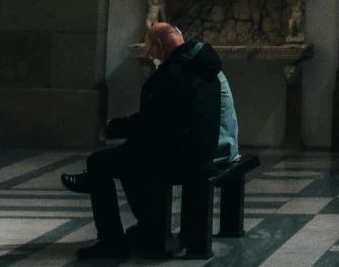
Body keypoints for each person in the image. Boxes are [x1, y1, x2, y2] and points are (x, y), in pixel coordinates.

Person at [66, 21, 226, 261]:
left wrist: (113, 128)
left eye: (150, 51)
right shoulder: (205, 69)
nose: (152, 57)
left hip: (178, 158)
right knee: (128, 157)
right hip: (201, 152)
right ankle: (147, 228)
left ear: (159, 45)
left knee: (100, 162)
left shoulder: (169, 76)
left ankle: (112, 241)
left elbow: (149, 125)